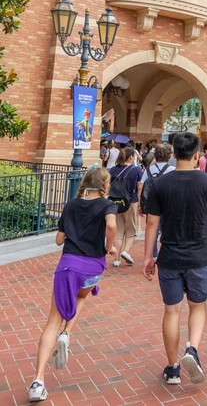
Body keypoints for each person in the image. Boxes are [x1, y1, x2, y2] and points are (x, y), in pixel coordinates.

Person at [143, 131, 207, 385]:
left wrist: (148, 256)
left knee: (171, 311)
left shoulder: (161, 184)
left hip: (169, 257)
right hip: (199, 257)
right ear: (197, 155)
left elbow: (151, 223)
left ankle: (172, 368)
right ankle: (192, 348)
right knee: (197, 306)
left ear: (173, 154)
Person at [26, 168, 117, 403]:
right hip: (93, 267)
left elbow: (58, 240)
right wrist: (109, 246)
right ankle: (67, 333)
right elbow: (111, 225)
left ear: (85, 183)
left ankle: (38, 381)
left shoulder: (71, 205)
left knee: (51, 322)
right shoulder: (108, 206)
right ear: (105, 186)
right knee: (82, 297)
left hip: (68, 265)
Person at [108, 147, 143, 267]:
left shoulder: (112, 170)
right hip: (130, 201)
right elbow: (139, 187)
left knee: (118, 230)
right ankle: (125, 251)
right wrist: (139, 202)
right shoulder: (136, 170)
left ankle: (116, 259)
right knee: (132, 229)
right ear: (131, 157)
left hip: (115, 202)